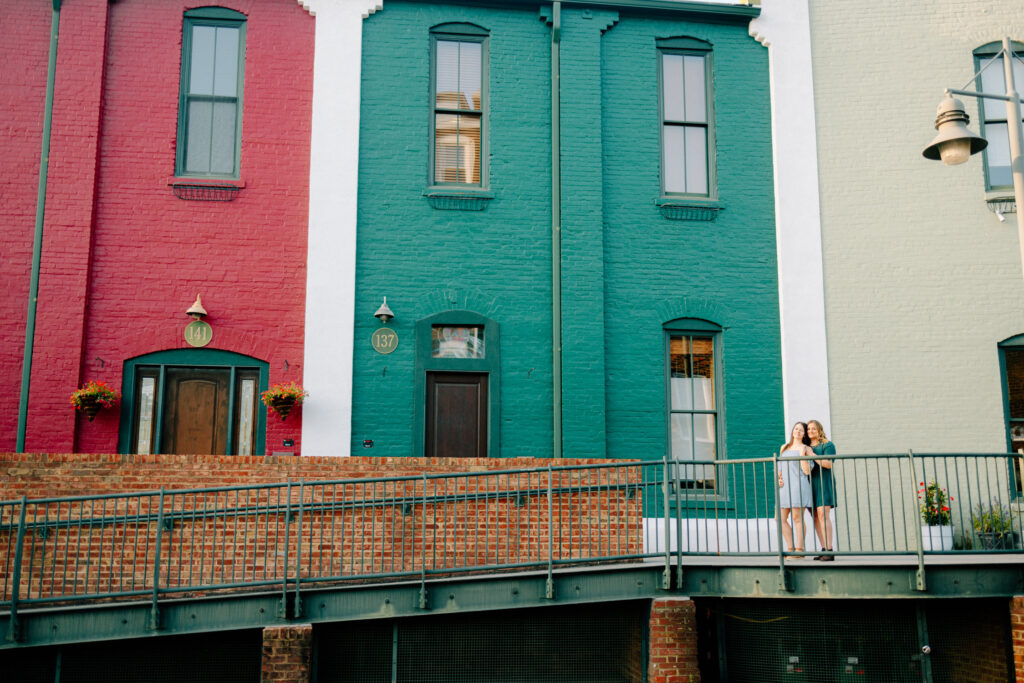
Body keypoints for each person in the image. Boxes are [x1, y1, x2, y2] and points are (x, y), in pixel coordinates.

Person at [777, 422, 814, 559]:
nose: (798, 431)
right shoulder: (784, 447)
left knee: (797, 518)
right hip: (785, 487)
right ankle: (790, 548)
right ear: (793, 431)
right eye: (796, 428)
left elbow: (807, 471)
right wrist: (779, 479)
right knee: (779, 518)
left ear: (804, 434)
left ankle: (799, 550)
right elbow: (779, 469)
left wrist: (802, 454)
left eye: (801, 430)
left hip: (799, 485)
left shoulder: (806, 448)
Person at [807, 419, 838, 561]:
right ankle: (823, 548)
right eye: (808, 429)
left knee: (823, 514)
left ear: (819, 430)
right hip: (810, 483)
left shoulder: (827, 445)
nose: (810, 431)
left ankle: (830, 550)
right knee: (815, 517)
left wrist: (813, 456)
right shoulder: (806, 446)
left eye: (813, 429)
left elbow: (828, 464)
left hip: (824, 482)